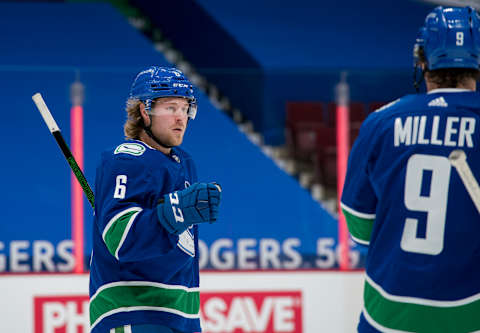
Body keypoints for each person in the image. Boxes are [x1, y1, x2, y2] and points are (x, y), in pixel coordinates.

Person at [341, 6, 480, 333]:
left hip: (389, 312)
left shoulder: (381, 122)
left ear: (422, 61)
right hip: (470, 312)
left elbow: (359, 229)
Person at [89, 66, 222, 333]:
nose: (180, 117)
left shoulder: (183, 161)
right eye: (171, 107)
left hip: (180, 313)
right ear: (143, 111)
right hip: (132, 310)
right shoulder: (126, 158)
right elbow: (120, 237)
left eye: (185, 108)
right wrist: (176, 212)